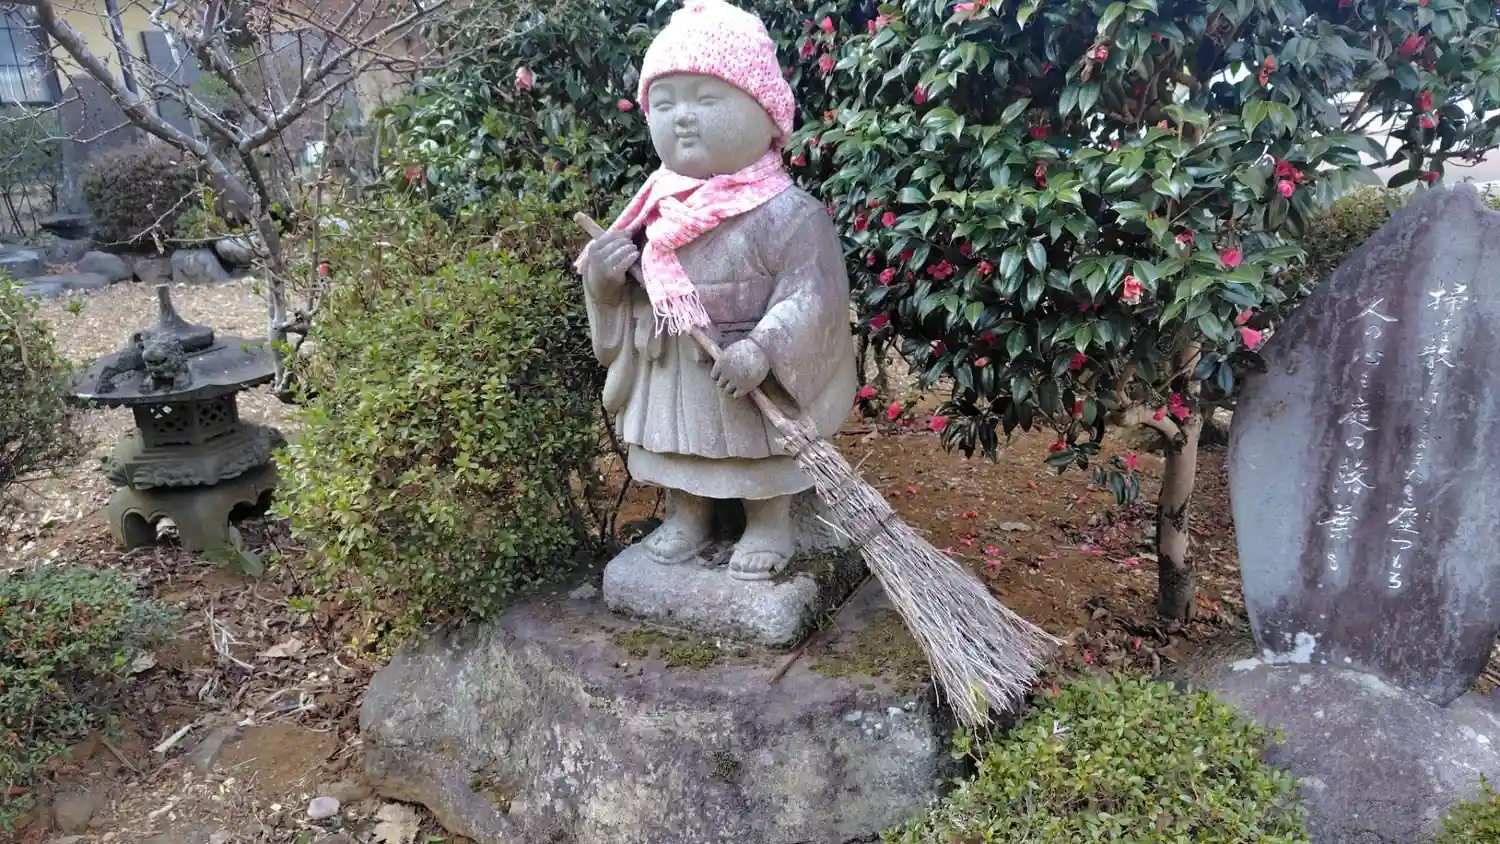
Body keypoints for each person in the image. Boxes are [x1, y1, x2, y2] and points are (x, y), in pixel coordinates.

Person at [577, 0, 856, 581]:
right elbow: (628, 296)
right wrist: (603, 283)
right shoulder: (654, 209)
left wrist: (763, 349)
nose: (682, 118)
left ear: (766, 114)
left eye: (706, 100)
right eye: (665, 103)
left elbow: (814, 299)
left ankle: (769, 521)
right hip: (675, 364)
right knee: (677, 443)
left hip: (743, 363)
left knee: (759, 446)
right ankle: (688, 514)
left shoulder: (791, 214)